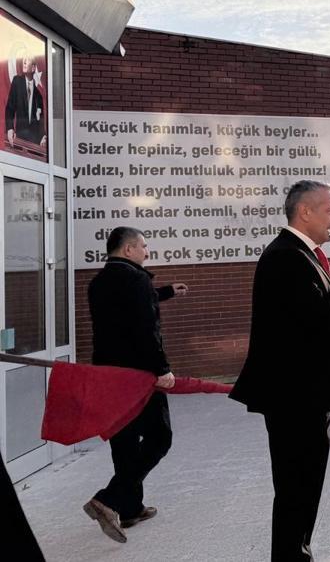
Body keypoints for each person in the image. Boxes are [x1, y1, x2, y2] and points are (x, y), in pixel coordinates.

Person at [230, 180, 330, 561]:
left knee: (304, 487)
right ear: (304, 212)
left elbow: (312, 314)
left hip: (307, 394)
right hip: (295, 397)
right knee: (297, 489)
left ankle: (297, 554)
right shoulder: (285, 257)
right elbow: (315, 318)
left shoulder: (301, 254)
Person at [82, 227, 188, 544]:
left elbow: (126, 310)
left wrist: (166, 291)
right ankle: (109, 499)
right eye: (143, 246)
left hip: (107, 373)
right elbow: (145, 327)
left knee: (125, 441)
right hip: (139, 376)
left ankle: (129, 509)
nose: (147, 252)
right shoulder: (137, 279)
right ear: (128, 249)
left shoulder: (98, 282)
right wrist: (161, 369)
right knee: (159, 438)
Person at [5, 53, 46, 146]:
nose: (24, 62)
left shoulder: (38, 95)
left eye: (27, 61)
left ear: (33, 67)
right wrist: (10, 128)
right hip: (19, 137)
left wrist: (43, 135)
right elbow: (10, 108)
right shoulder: (17, 81)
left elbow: (40, 119)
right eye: (23, 61)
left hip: (34, 141)